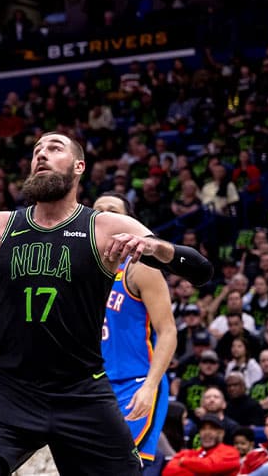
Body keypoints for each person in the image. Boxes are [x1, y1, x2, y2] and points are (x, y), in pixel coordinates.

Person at [0, 132, 208, 476]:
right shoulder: (3, 224)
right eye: (36, 150)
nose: (42, 155)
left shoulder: (105, 227)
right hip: (8, 390)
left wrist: (156, 249)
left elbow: (200, 270)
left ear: (79, 167)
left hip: (81, 390)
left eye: (54, 148)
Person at [95, 193, 176, 472]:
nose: (105, 215)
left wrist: (150, 386)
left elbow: (168, 332)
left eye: (113, 210)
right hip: (92, 386)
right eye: (99, 211)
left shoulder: (139, 269)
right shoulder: (81, 269)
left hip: (135, 382)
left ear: (129, 222)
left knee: (120, 467)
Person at [162, 414, 240, 476]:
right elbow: (168, 472)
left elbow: (210, 466)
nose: (207, 432)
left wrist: (184, 461)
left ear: (221, 433)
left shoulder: (230, 452)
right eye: (203, 429)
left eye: (212, 429)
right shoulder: (188, 453)